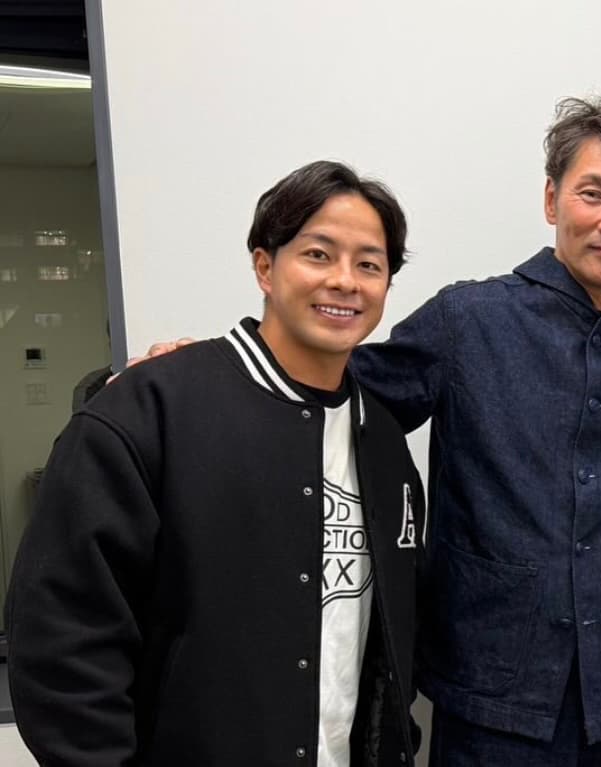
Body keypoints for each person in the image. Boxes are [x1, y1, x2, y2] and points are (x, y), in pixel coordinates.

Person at [5, 160, 425, 766]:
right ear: (264, 265)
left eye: (369, 264)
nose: (344, 281)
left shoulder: (382, 441)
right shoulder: (151, 410)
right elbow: (62, 638)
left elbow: (391, 644)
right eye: (318, 254)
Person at [348, 94, 601, 765]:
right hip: (486, 692)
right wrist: (221, 366)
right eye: (592, 193)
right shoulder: (468, 320)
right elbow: (336, 393)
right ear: (551, 199)